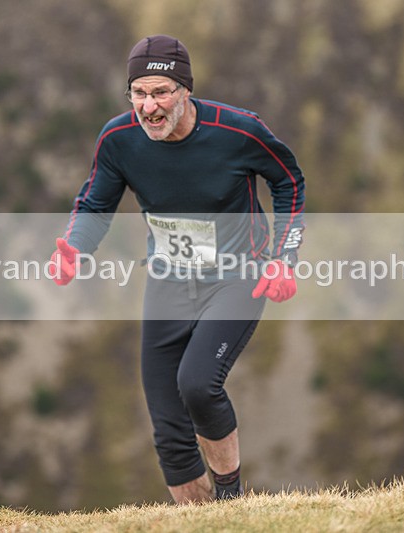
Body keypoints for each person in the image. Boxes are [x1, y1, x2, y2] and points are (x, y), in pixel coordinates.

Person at [50, 35, 305, 503]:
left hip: (236, 274)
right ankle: (197, 518)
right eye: (139, 93)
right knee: (169, 431)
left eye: (161, 92)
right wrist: (75, 247)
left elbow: (288, 180)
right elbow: (96, 204)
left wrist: (284, 259)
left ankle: (231, 500)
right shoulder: (118, 138)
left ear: (186, 90)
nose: (149, 106)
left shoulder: (239, 132)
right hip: (168, 279)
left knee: (198, 385)